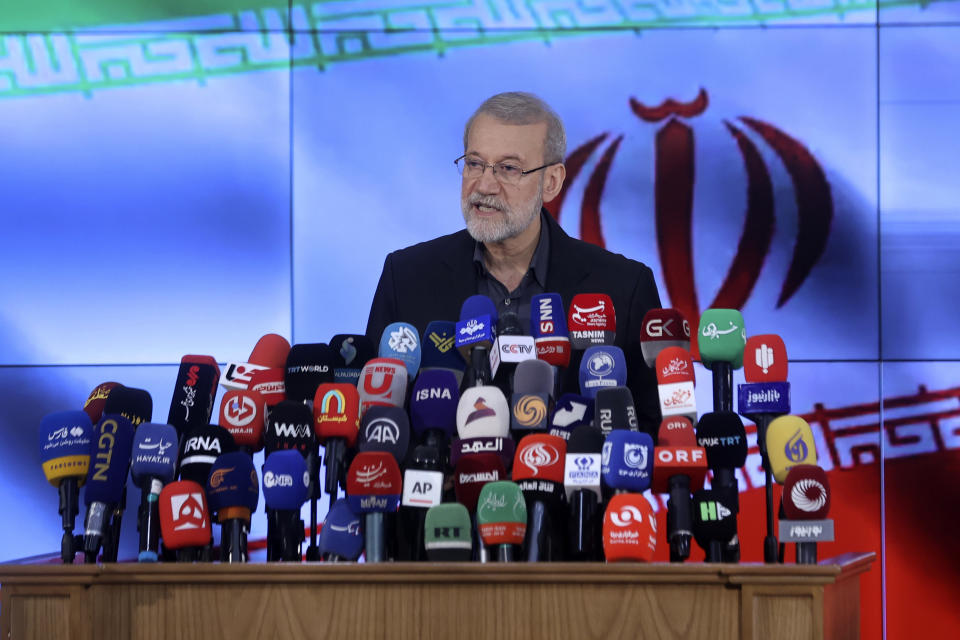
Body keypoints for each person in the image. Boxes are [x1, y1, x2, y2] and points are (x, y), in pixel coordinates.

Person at [366, 92, 663, 432]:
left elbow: (651, 429)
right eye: (475, 163)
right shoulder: (406, 277)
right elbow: (376, 420)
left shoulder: (623, 286)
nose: (485, 185)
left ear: (550, 182)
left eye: (508, 168)